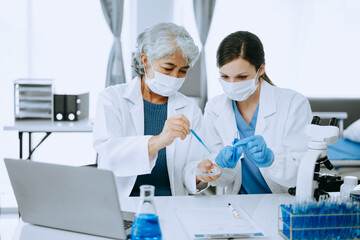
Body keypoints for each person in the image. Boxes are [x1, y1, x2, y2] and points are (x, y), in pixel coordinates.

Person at [93, 23, 221, 197]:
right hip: (123, 204)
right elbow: (111, 154)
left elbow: (190, 169)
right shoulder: (112, 99)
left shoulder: (189, 108)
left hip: (171, 203)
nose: (175, 77)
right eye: (168, 68)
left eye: (183, 71)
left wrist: (199, 174)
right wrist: (160, 140)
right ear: (145, 60)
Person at [204, 31, 312, 194]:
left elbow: (301, 171)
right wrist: (220, 165)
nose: (232, 84)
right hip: (236, 205)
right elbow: (220, 180)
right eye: (225, 76)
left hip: (281, 202)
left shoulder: (293, 104)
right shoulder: (214, 108)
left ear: (260, 69)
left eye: (241, 77)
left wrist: (271, 159)